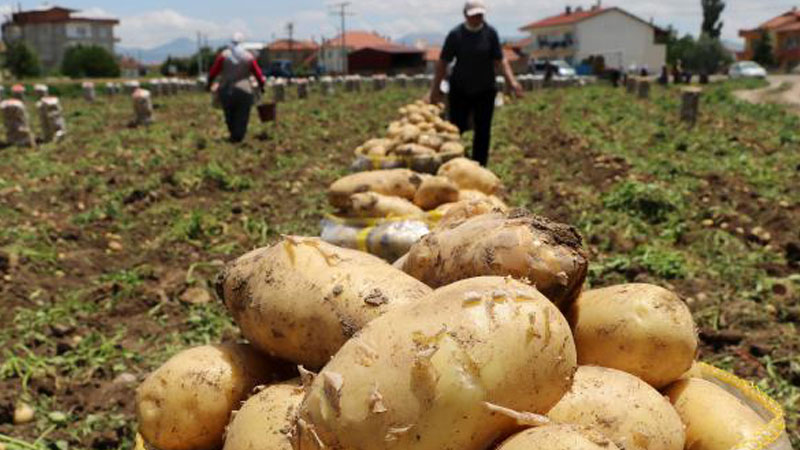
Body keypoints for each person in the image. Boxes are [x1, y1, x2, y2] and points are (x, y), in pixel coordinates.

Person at [428, 0, 522, 167]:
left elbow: (500, 60)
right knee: (456, 128)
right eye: (474, 15)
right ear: (465, 16)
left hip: (485, 89)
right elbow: (443, 62)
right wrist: (435, 90)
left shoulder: (490, 33)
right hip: (460, 89)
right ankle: (454, 163)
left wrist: (512, 82)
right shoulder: (456, 35)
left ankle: (480, 165)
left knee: (483, 131)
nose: (478, 18)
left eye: (480, 15)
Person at [206, 33, 266, 143]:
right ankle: (239, 135)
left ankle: (233, 134)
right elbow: (258, 74)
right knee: (243, 114)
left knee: (229, 113)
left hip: (226, 89)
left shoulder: (223, 56)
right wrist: (261, 86)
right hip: (244, 89)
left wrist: (209, 84)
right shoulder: (249, 57)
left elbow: (213, 72)